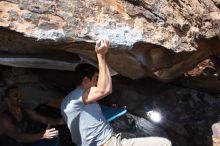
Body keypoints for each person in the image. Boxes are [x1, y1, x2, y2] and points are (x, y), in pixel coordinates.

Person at [61, 38, 172, 146]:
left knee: (131, 136)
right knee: (164, 143)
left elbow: (108, 89)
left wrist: (105, 65)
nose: (96, 82)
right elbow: (104, 90)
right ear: (85, 80)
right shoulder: (77, 96)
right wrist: (101, 56)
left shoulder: (70, 101)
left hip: (110, 138)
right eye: (95, 78)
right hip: (108, 143)